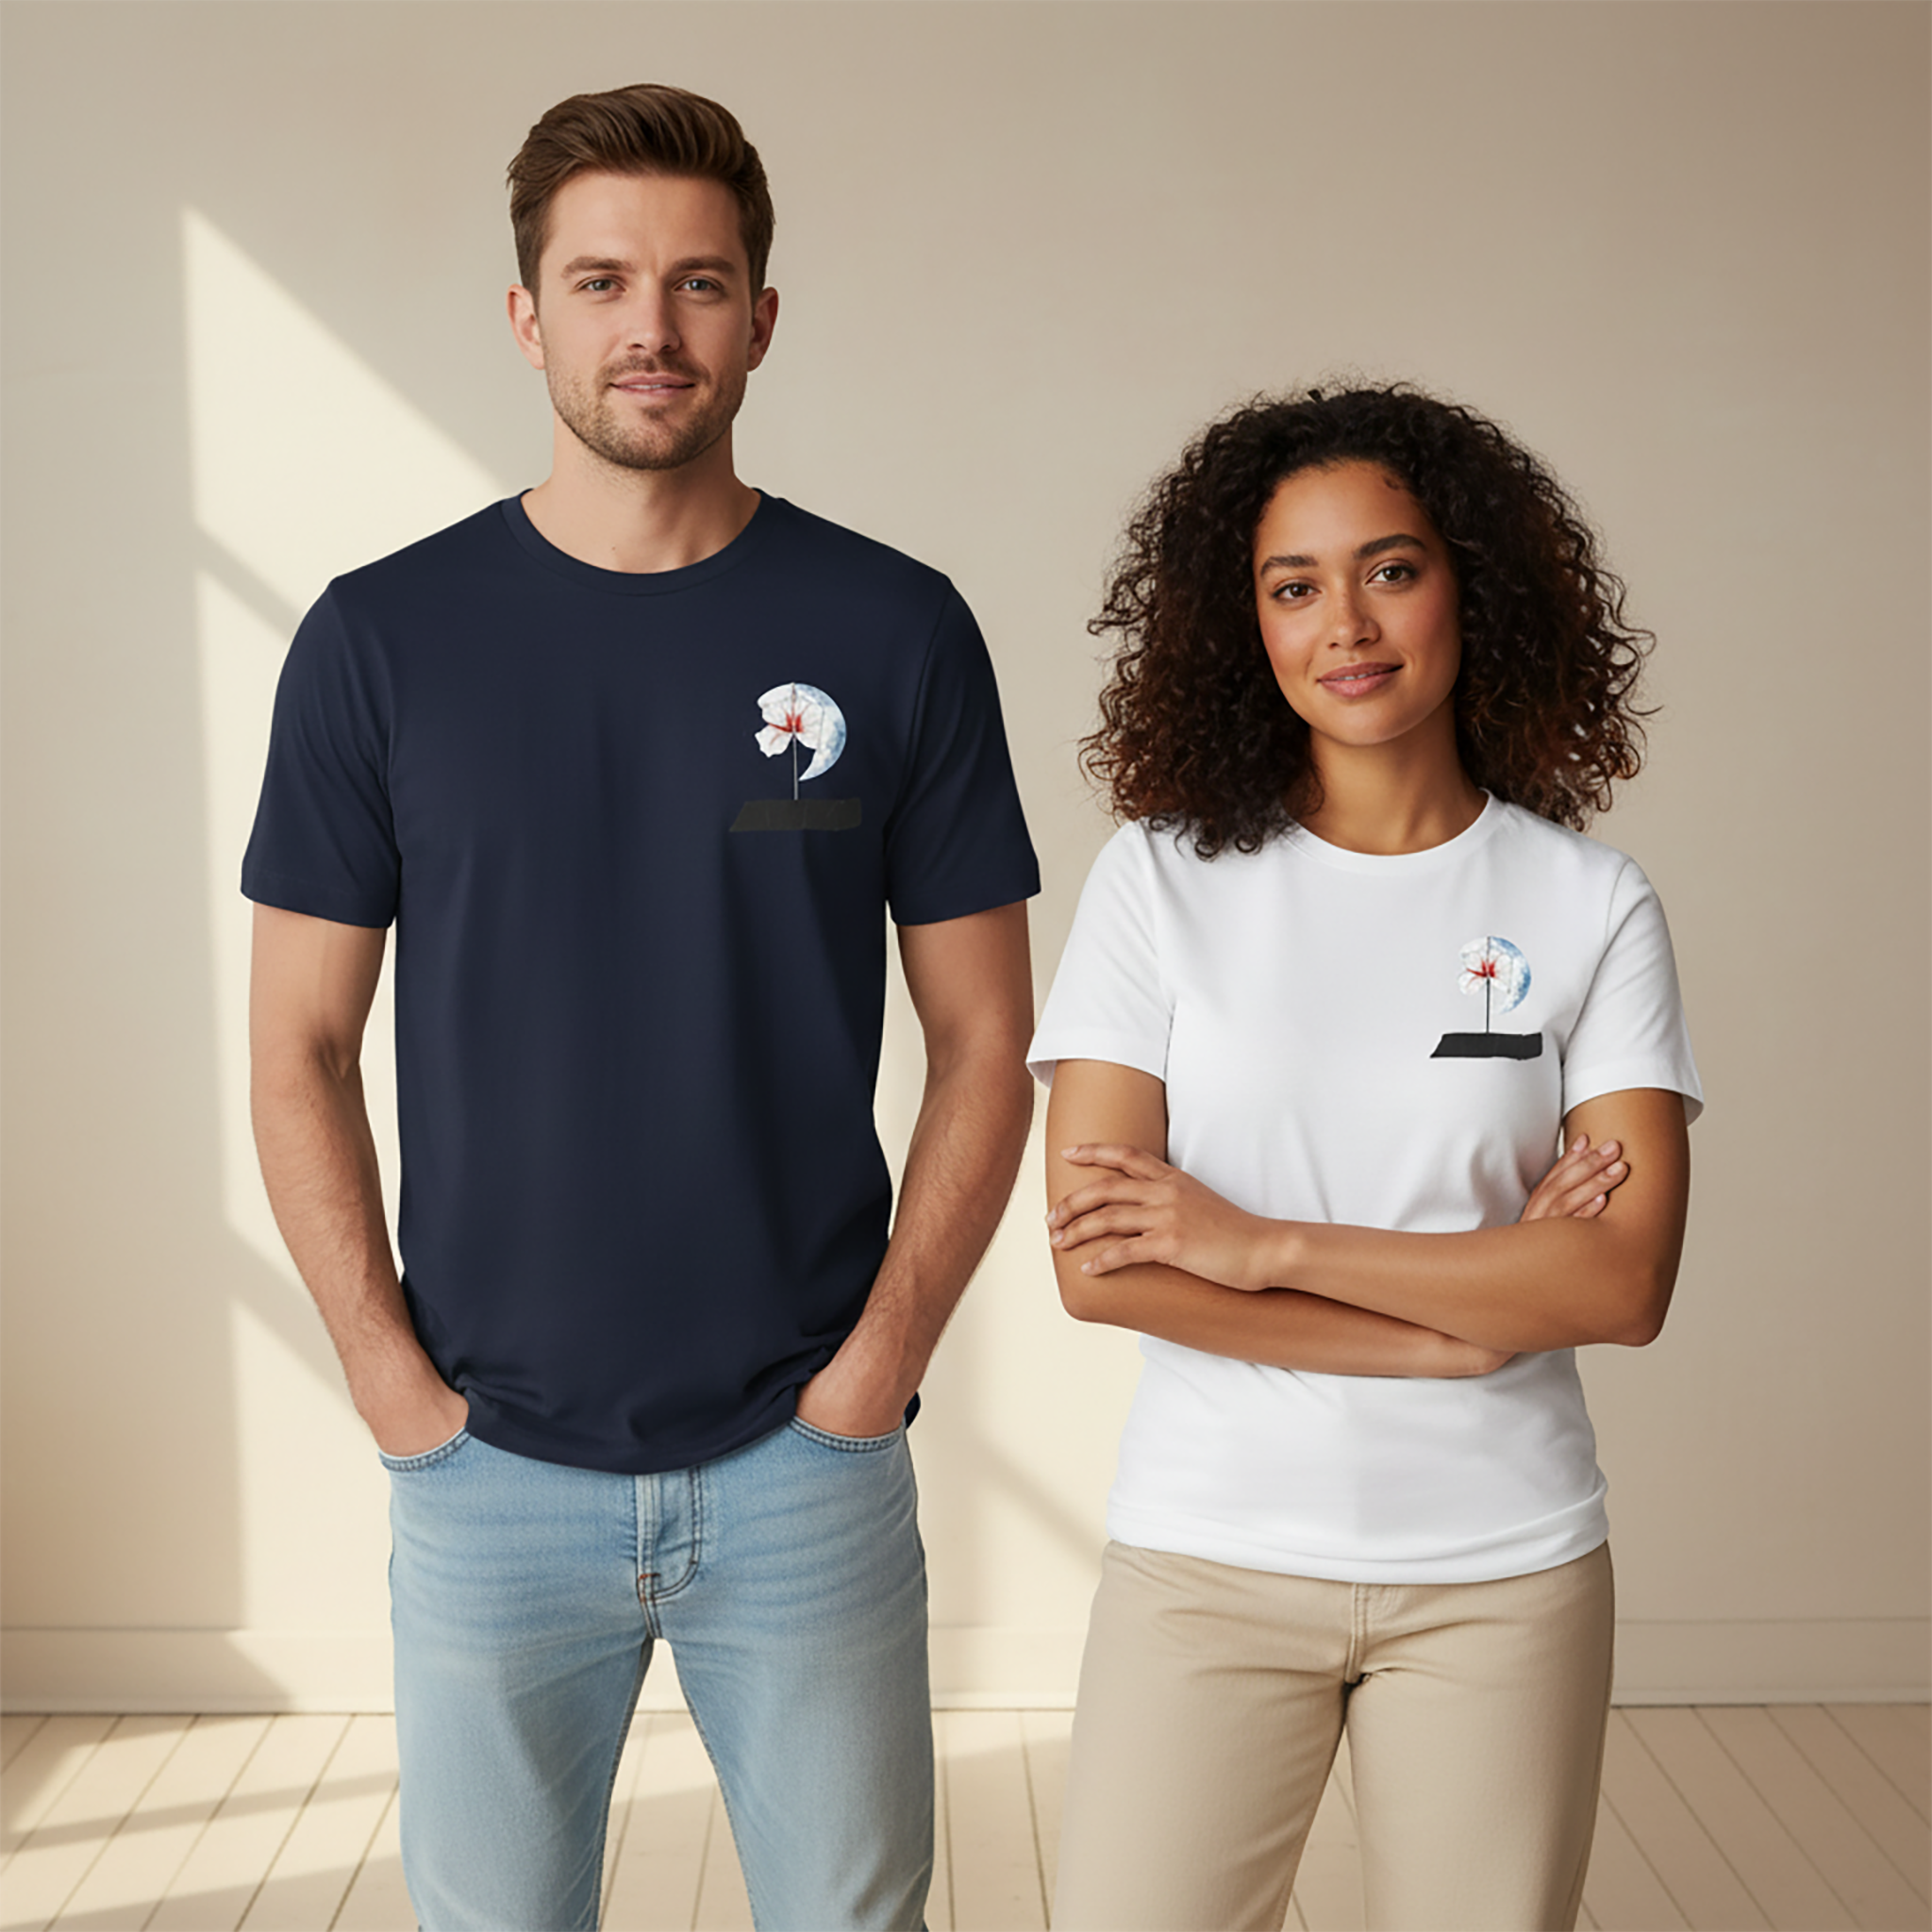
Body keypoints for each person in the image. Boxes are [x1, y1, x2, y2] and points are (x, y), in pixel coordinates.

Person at [243, 82, 1037, 1932]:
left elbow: (987, 1038)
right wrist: (388, 1377)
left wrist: (877, 1367)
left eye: (698, 283)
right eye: (600, 281)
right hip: (486, 1466)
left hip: (803, 1454)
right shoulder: (381, 639)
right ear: (527, 315)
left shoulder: (893, 628)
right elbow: (296, 1043)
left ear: (762, 315)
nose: (649, 328)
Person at [1028, 385, 1700, 1932]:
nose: (1349, 622)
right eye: (1294, 585)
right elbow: (1100, 1266)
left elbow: (1620, 1277)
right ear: (1241, 625)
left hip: (1504, 1573)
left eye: (1391, 568)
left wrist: (1260, 1243)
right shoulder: (1158, 884)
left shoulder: (1589, 904)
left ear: (1473, 582)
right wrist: (1460, 1329)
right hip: (1206, 1559)